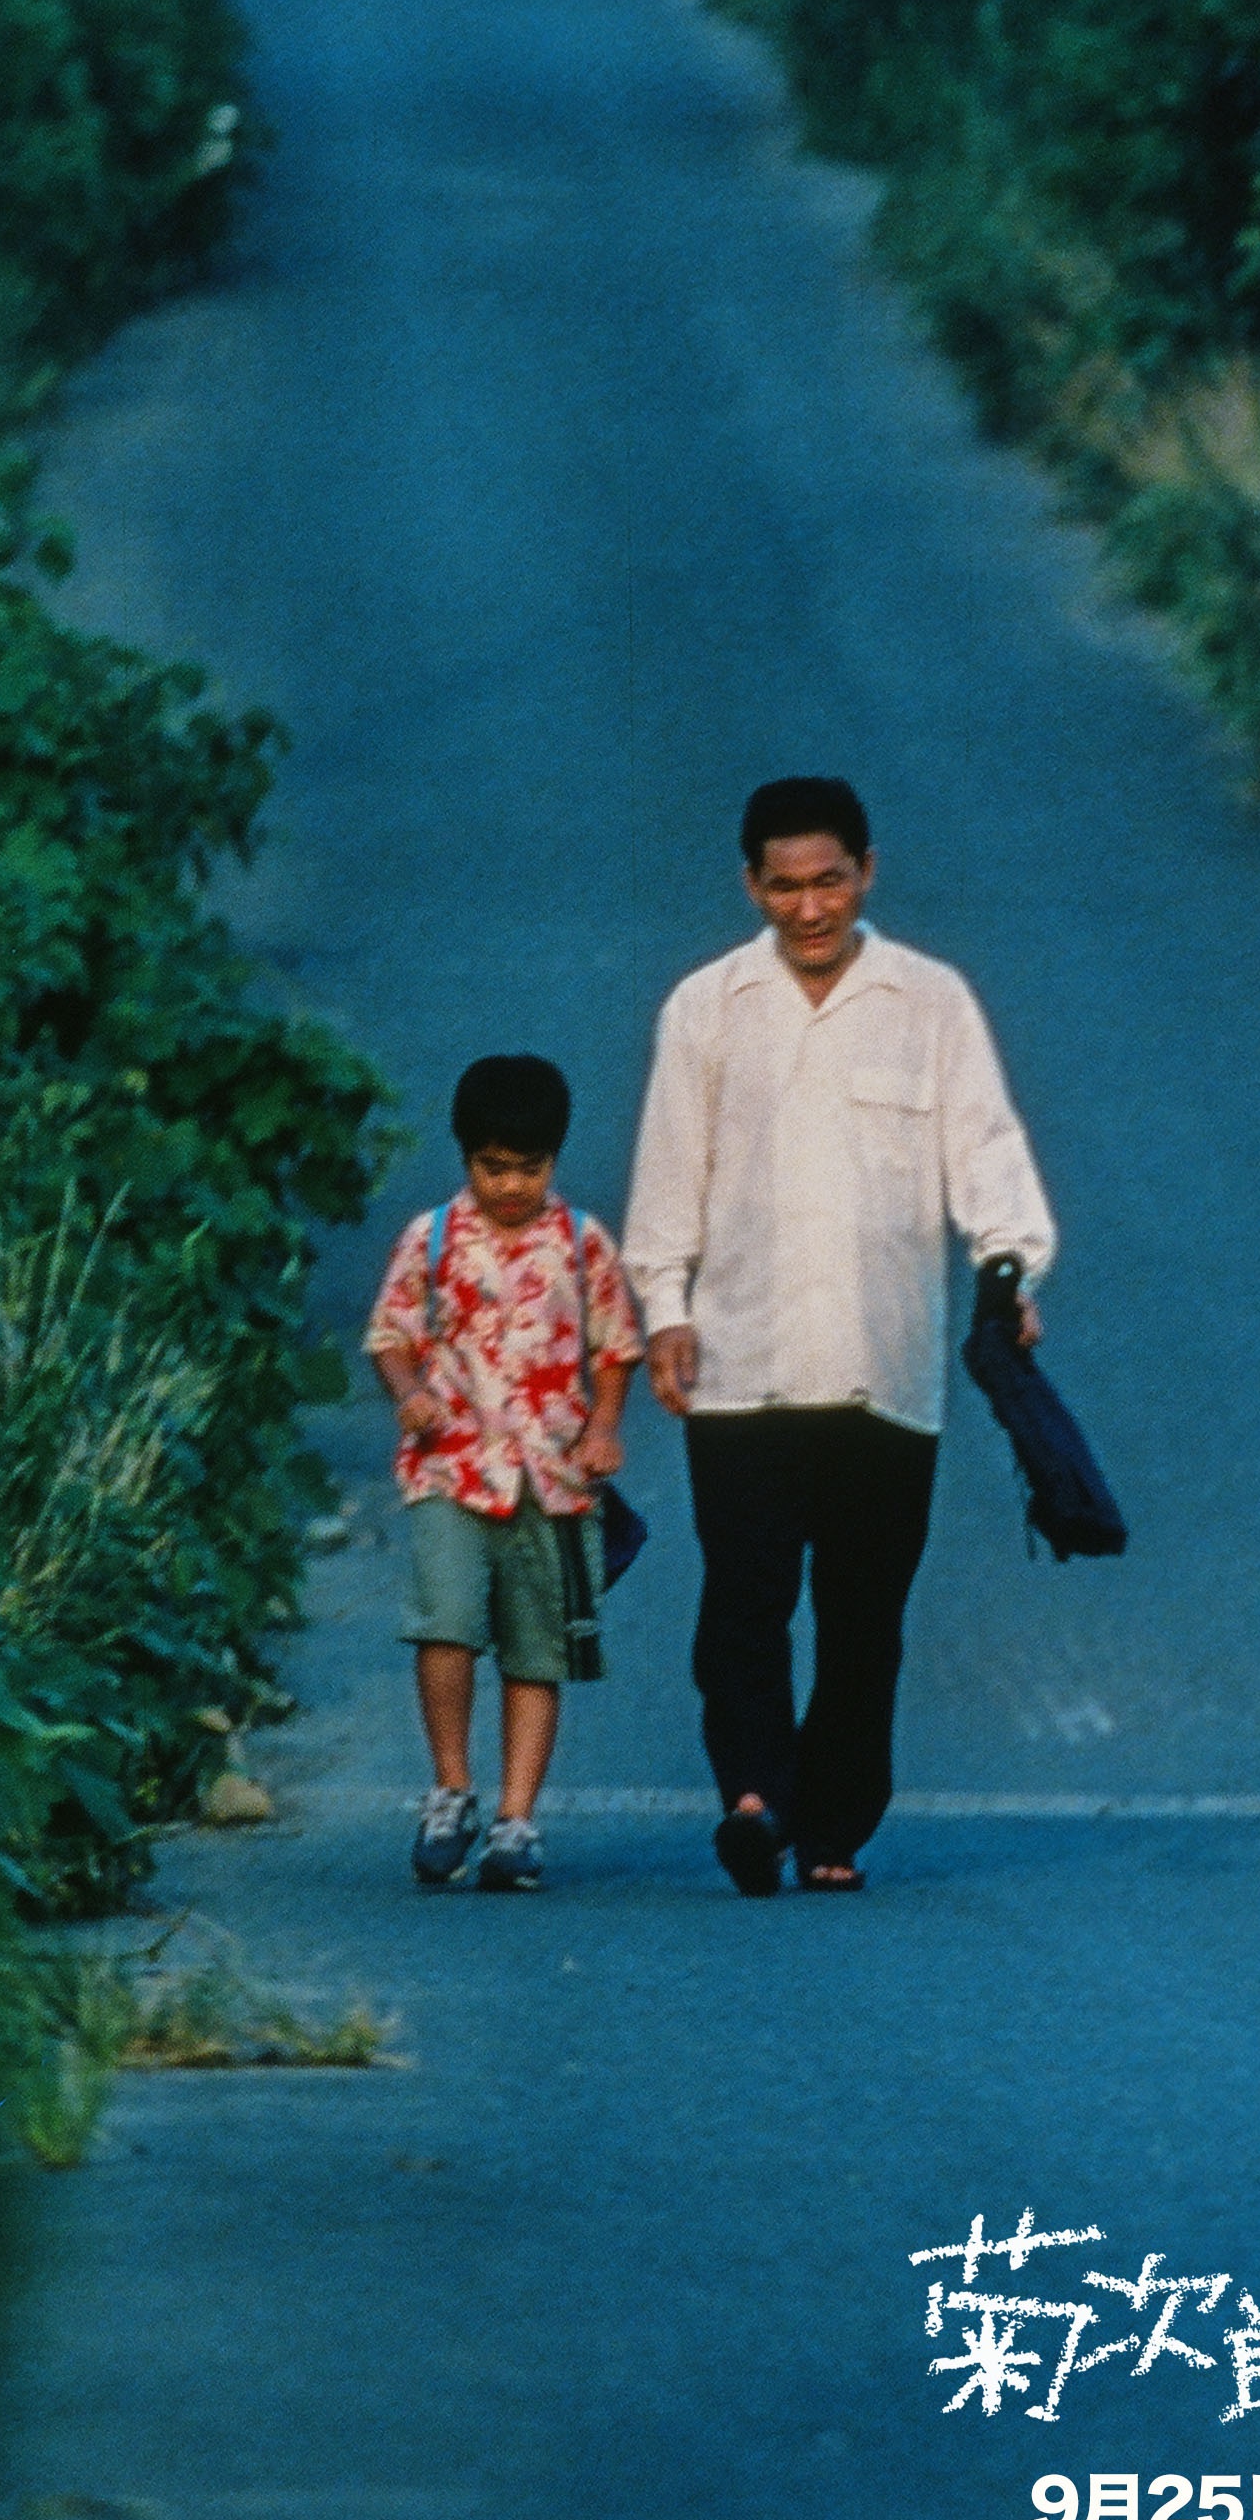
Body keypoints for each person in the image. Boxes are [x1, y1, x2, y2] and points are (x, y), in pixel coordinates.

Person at [624, 776, 1056, 1897]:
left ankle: (832, 1824)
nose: (807, 908)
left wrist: (1008, 1267)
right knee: (744, 1601)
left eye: (827, 881)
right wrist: (664, 1309)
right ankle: (754, 1796)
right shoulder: (705, 1007)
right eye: (783, 886)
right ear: (749, 885)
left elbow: (987, 1155)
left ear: (866, 871)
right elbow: (670, 1173)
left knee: (863, 1617)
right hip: (738, 1362)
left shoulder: (930, 1002)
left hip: (884, 1369)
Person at [366, 1054, 642, 1893]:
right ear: (465, 1158)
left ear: (554, 1160)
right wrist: (410, 1390)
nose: (512, 1185)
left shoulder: (581, 1241)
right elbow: (390, 1333)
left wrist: (602, 1426)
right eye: (494, 1167)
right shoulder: (434, 1238)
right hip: (452, 1464)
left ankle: (518, 1819)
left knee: (537, 1649)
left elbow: (615, 1345)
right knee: (445, 1625)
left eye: (529, 1168)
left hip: (551, 1480)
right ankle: (451, 1788)